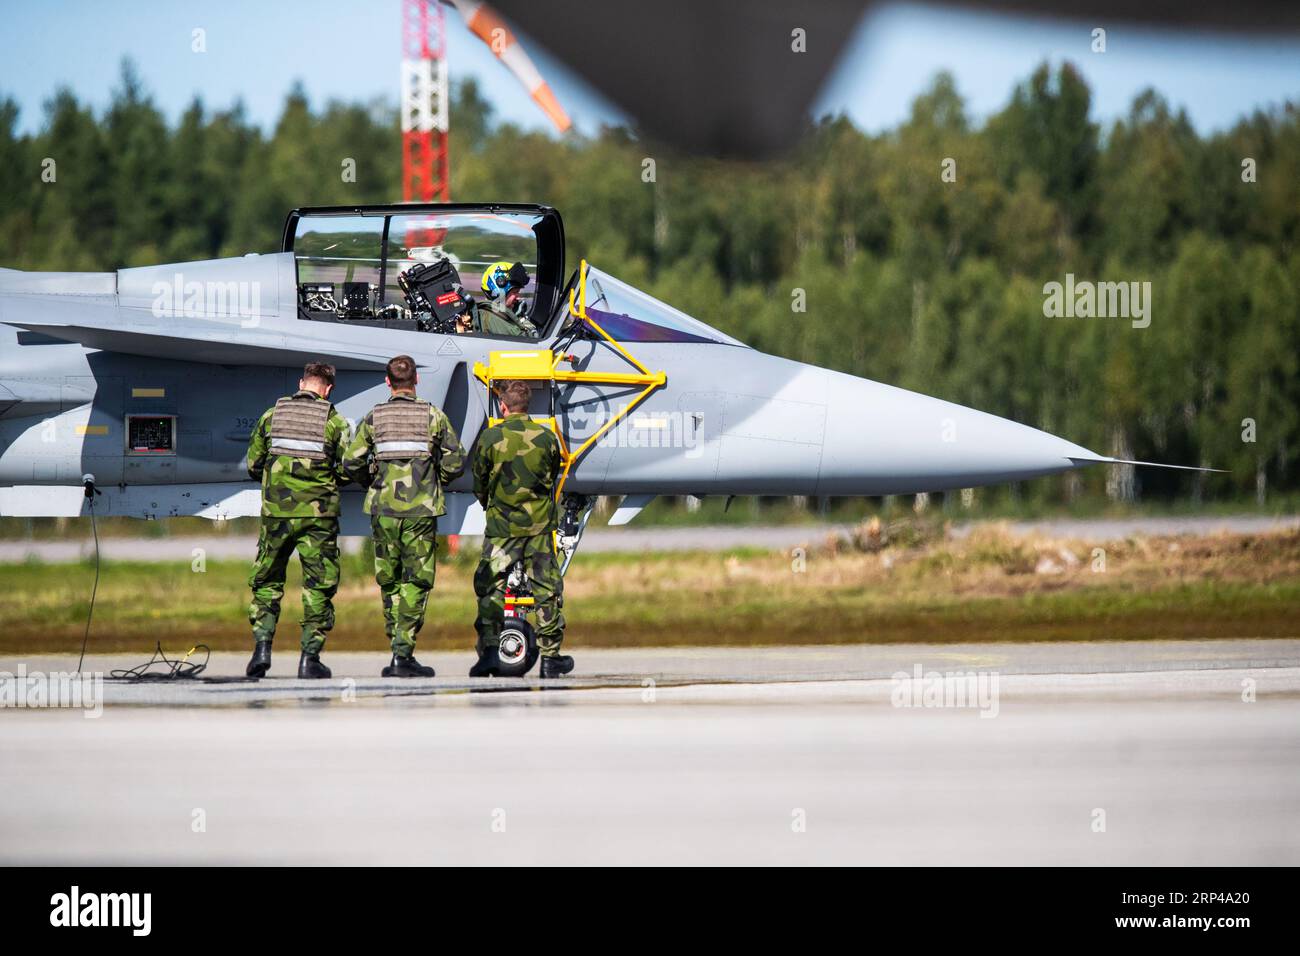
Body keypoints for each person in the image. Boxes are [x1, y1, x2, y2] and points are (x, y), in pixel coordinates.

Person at [344, 354, 466, 677]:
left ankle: (398, 649)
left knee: (389, 579)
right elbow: (456, 462)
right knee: (418, 579)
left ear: (388, 382)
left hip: (383, 511)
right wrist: (435, 479)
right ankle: (402, 651)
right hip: (420, 511)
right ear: (416, 381)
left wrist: (371, 480)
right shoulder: (433, 417)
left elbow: (351, 461)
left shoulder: (374, 418)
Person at [244, 362, 351, 679]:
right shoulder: (334, 421)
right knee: (318, 587)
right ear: (328, 388)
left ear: (301, 382)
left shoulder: (271, 415)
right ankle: (310, 659)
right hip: (318, 517)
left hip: (276, 514)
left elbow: (253, 464)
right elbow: (346, 471)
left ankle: (261, 649)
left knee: (267, 582)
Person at [470, 378, 572, 678]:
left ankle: (489, 653)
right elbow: (552, 475)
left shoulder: (490, 438)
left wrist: (492, 503)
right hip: (538, 528)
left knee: (491, 590)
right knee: (546, 590)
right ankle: (551, 657)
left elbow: (480, 482)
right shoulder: (546, 438)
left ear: (503, 406)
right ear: (527, 406)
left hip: (502, 528)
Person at [453, 260, 537, 337]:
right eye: (515, 292)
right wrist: (522, 320)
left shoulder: (498, 313)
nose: (518, 297)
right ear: (498, 291)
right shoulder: (495, 319)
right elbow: (531, 339)